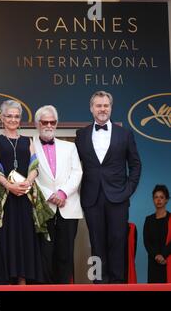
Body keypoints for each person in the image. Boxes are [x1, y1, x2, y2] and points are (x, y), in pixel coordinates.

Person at [75, 91, 142, 284]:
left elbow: (136, 165)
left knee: (118, 242)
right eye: (98, 105)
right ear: (91, 108)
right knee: (96, 244)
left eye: (106, 105)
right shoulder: (81, 135)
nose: (102, 109)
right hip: (91, 198)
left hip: (118, 198)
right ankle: (98, 283)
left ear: (111, 108)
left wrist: (128, 190)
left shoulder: (125, 134)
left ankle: (118, 284)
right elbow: (73, 165)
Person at [0, 100, 43, 285]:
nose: (13, 119)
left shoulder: (28, 140)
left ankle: (23, 283)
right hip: (6, 201)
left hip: (25, 198)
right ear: (2, 118)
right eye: (9, 116)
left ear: (20, 119)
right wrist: (9, 186)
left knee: (26, 240)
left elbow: (35, 166)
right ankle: (7, 284)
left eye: (16, 116)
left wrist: (28, 181)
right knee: (8, 240)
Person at [33, 105, 83, 284]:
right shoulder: (29, 145)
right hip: (43, 207)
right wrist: (48, 195)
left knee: (65, 255)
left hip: (68, 208)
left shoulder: (70, 147)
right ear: (37, 124)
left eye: (52, 122)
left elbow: (77, 173)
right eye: (44, 122)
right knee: (44, 255)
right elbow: (29, 175)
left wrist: (62, 193)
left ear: (56, 124)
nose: (48, 125)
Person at [143, 185, 170, 283]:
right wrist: (156, 256)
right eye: (156, 197)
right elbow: (147, 241)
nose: (158, 200)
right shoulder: (149, 220)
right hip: (153, 261)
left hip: (168, 260)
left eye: (161, 197)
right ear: (153, 200)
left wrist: (163, 255)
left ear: (166, 200)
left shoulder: (170, 219)